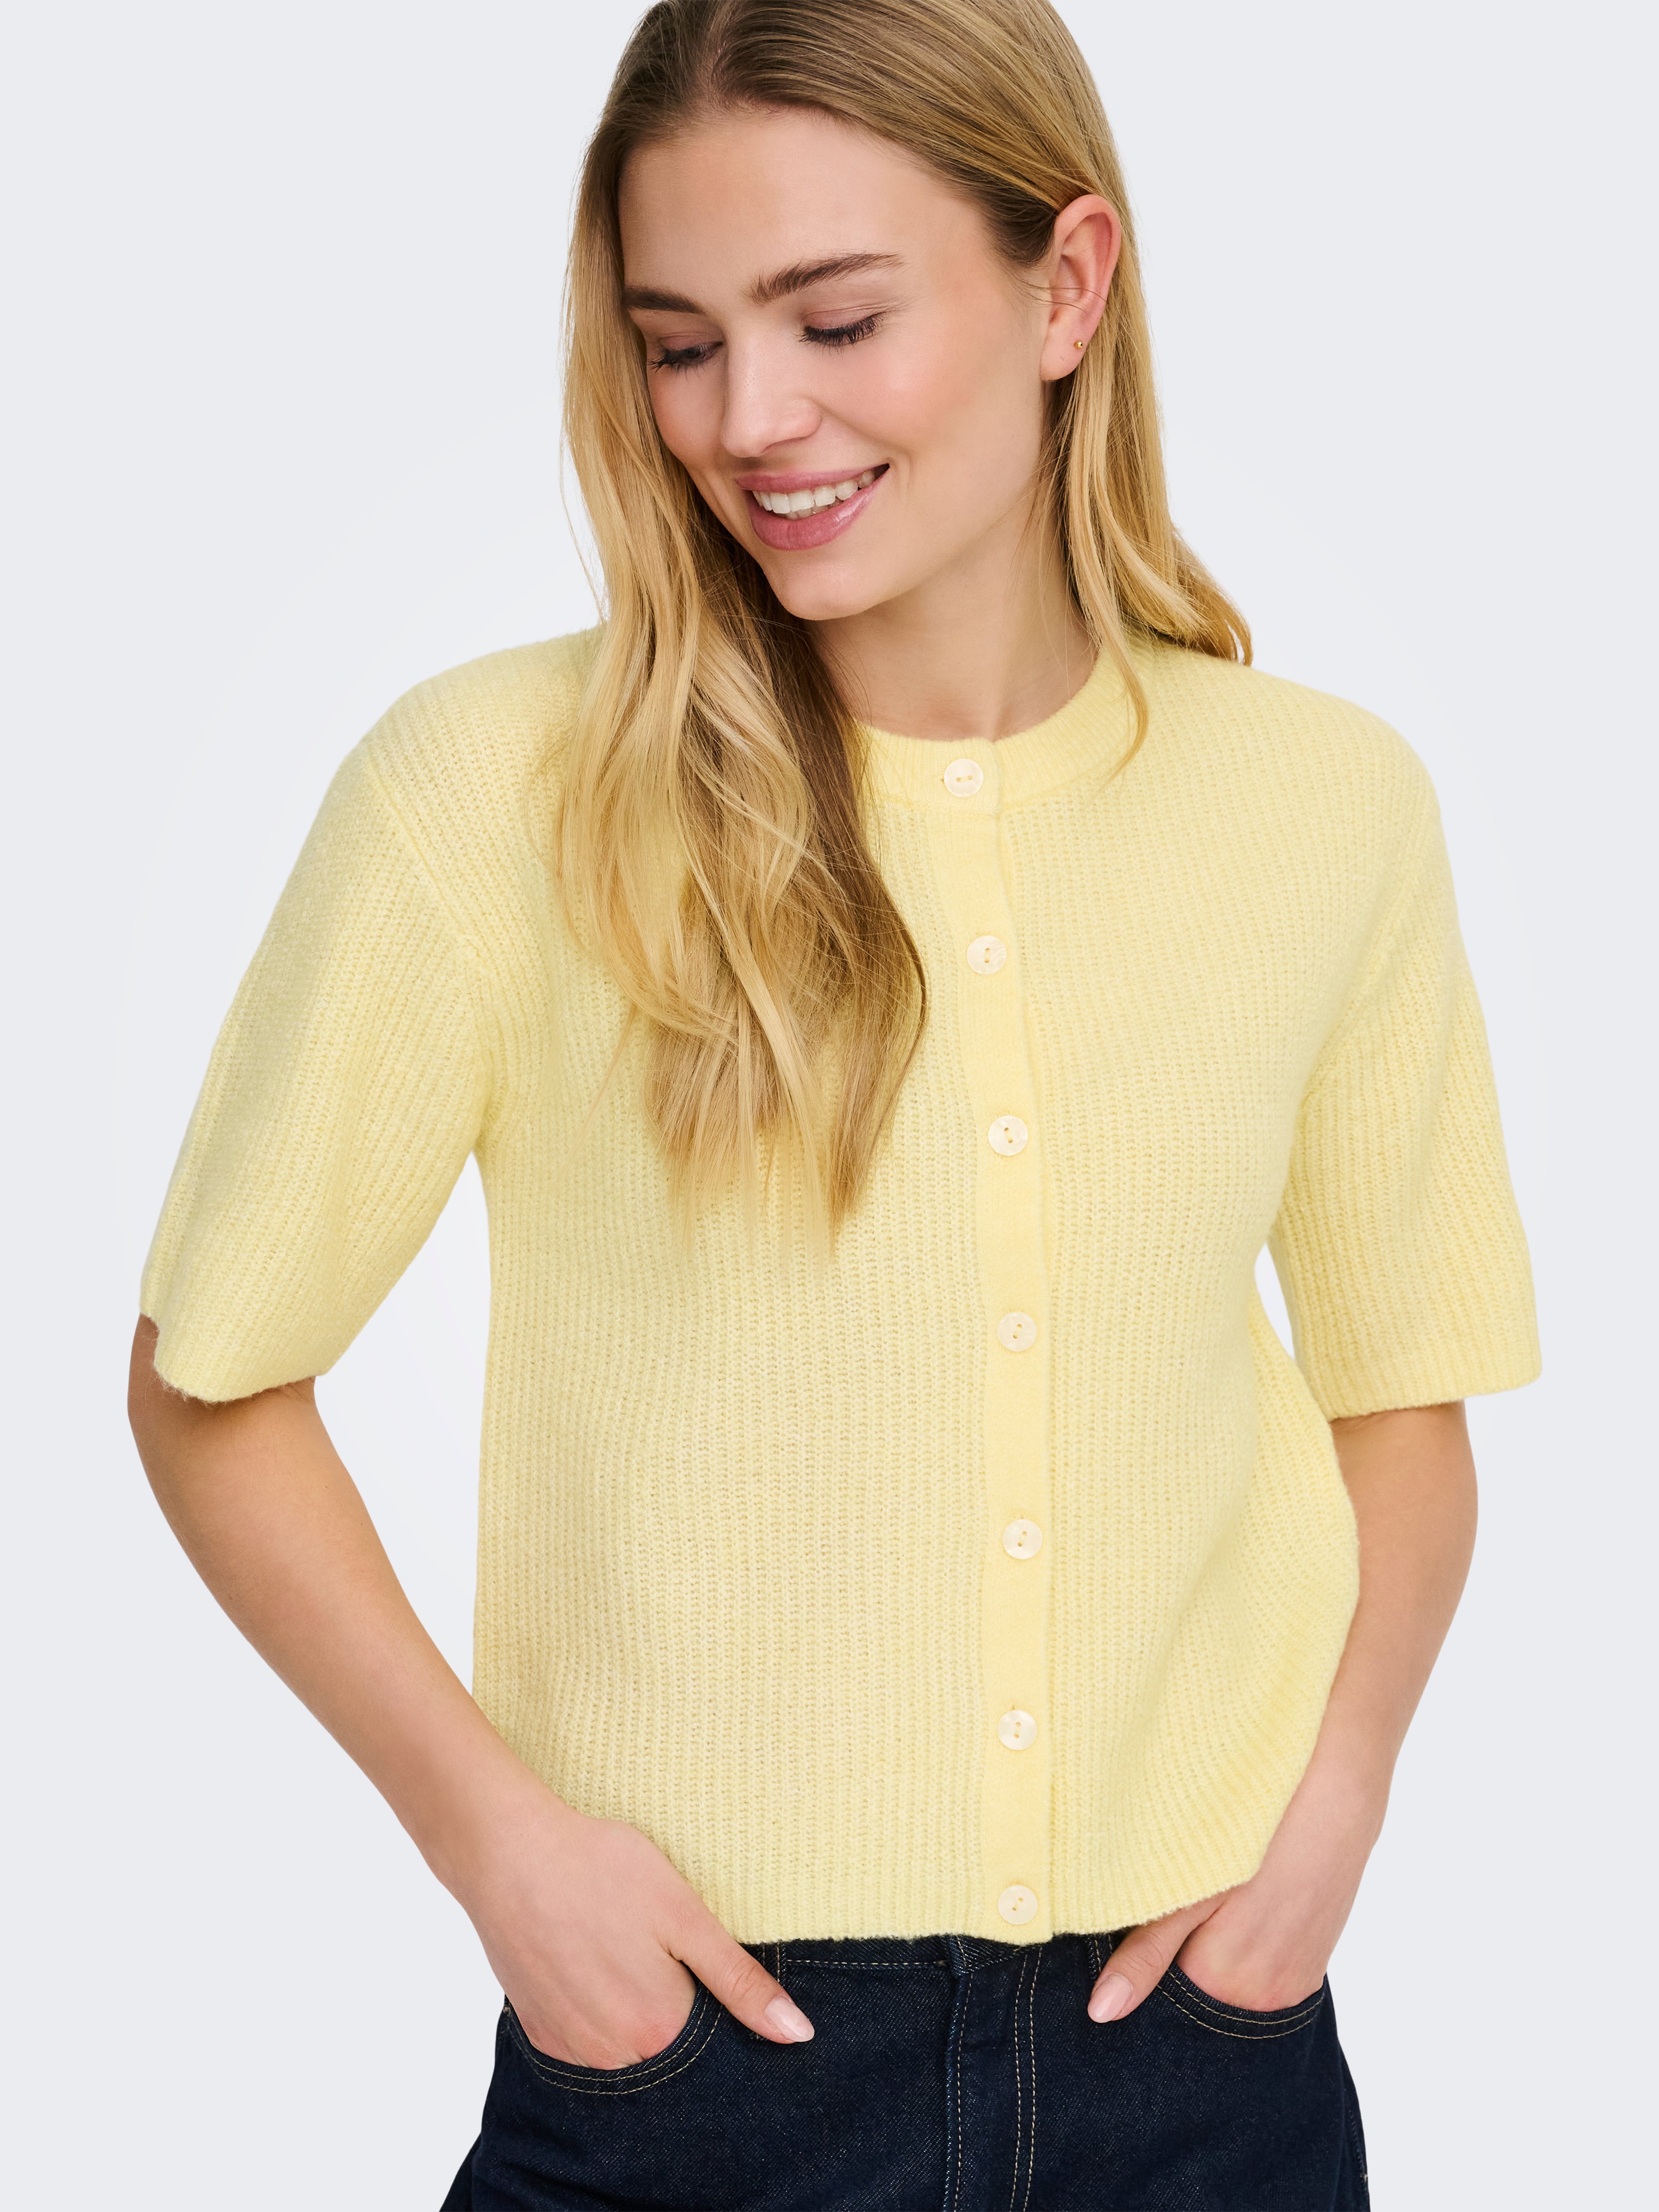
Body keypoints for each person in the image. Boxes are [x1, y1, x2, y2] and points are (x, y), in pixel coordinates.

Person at [127, 1, 1541, 2205]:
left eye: (836, 319)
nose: (748, 419)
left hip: (1206, 2063)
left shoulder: (1326, 807)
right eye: (678, 344)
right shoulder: (489, 797)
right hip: (695, 2066)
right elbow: (212, 1382)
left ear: (1068, 287)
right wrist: (503, 1854)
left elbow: (1402, 1399)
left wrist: (1334, 1808)